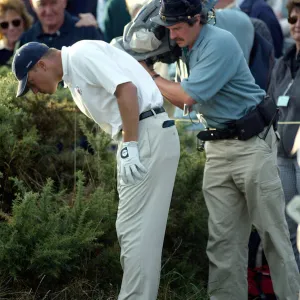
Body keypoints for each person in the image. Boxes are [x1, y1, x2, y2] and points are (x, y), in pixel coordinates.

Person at [140, 0, 300, 299]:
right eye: (168, 28)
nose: (172, 35)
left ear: (197, 19)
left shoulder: (219, 42)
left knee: (275, 240)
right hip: (216, 148)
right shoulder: (185, 44)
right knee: (222, 246)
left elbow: (186, 96)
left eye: (177, 28)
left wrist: (150, 74)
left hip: (252, 145)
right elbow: (177, 96)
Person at [11, 40, 180, 300]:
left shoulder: (80, 54)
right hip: (141, 135)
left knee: (138, 234)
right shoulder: (74, 69)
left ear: (41, 65)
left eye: (30, 82)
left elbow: (127, 90)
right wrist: (131, 143)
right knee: (130, 231)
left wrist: (131, 145)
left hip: (145, 135)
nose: (33, 90)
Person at [268, 0, 300, 271]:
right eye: (292, 19)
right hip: (283, 157)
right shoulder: (282, 63)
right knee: (289, 231)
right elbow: (270, 106)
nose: (297, 25)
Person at [19, 0, 103, 49]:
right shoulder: (26, 40)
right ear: (32, 5)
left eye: (54, 3)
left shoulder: (87, 33)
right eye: (42, 4)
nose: (48, 11)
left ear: (64, 2)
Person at [0, 0, 32, 66]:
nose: (11, 28)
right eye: (4, 24)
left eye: (16, 22)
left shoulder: (35, 48)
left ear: (24, 22)